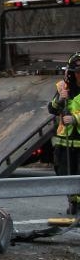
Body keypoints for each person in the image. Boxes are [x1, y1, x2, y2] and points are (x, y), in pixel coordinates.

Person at [48, 52, 80, 215]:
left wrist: (75, 118)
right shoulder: (63, 87)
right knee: (65, 175)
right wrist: (60, 99)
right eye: (76, 72)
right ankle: (73, 203)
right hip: (64, 143)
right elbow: (52, 109)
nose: (78, 76)